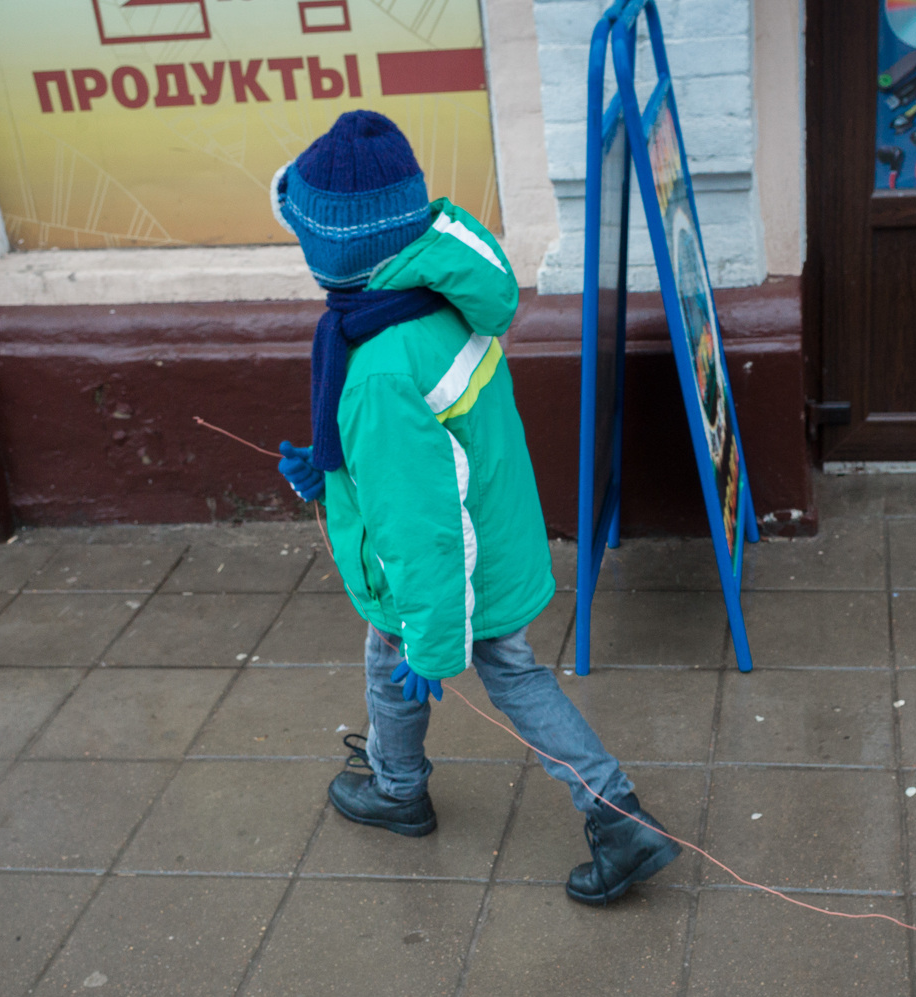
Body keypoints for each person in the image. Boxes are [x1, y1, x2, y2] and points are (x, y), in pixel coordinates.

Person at [271, 110, 677, 905]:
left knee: (412, 665)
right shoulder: (430, 297)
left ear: (335, 252)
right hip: (494, 535)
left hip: (447, 569)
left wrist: (432, 642)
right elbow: (422, 462)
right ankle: (429, 784)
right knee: (496, 672)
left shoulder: (378, 367)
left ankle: (423, 792)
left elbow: (419, 525)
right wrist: (332, 471)